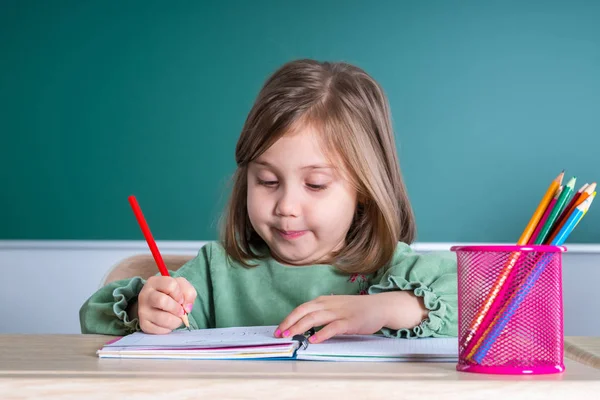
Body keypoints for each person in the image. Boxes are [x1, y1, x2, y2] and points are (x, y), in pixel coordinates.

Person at [80, 59, 457, 343]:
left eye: (315, 184)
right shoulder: (216, 274)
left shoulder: (393, 271)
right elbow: (94, 318)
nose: (286, 206)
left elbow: (490, 306)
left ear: (364, 191)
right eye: (268, 181)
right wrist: (144, 308)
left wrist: (388, 307)